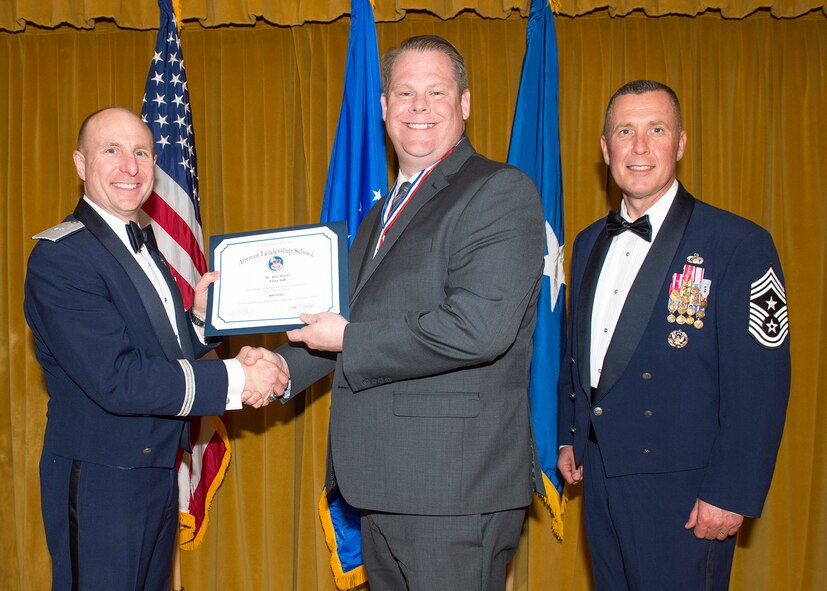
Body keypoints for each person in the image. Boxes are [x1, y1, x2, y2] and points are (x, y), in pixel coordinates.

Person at [249, 35, 545, 590]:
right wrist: (276, 366)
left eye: (437, 92)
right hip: (383, 486)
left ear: (465, 104)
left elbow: (478, 328)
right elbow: (338, 321)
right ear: (383, 107)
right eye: (404, 93)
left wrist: (348, 341)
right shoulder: (378, 215)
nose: (419, 107)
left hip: (453, 490)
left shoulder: (499, 191)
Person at [23, 106, 289, 590]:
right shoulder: (62, 258)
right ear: (81, 164)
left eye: (141, 152)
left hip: (156, 468)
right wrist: (238, 378)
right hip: (102, 478)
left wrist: (203, 321)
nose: (131, 166)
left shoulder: (143, 248)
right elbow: (120, 380)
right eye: (112, 151)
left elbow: (158, 354)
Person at [556, 80, 791, 590]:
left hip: (686, 491)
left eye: (656, 130)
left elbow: (761, 386)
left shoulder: (738, 244)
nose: (639, 147)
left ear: (680, 143)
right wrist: (570, 435)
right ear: (605, 148)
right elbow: (582, 353)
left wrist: (732, 491)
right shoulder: (588, 241)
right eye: (625, 131)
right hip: (600, 474)